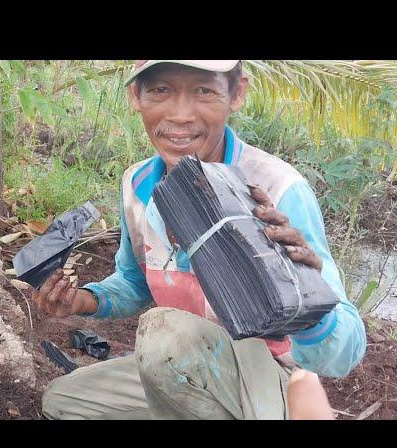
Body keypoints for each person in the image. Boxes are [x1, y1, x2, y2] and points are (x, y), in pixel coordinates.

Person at [34, 60, 366, 420]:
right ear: (136, 96)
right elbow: (134, 281)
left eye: (203, 91)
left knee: (166, 336)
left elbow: (347, 350)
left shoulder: (276, 189)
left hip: (270, 380)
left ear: (237, 92)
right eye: (161, 90)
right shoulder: (139, 185)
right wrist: (83, 300)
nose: (180, 115)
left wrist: (307, 301)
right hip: (185, 367)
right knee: (66, 402)